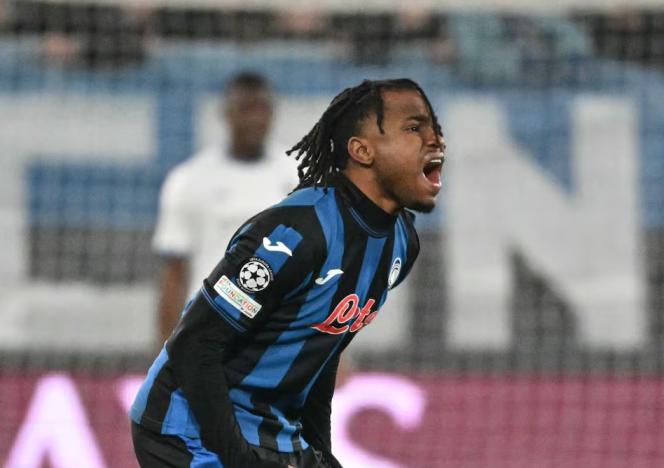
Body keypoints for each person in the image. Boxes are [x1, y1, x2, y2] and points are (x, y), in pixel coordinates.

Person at [130, 78, 446, 468]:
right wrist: (239, 458)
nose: (435, 140)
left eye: (434, 129)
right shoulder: (298, 232)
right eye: (413, 129)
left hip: (270, 431)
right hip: (185, 432)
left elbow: (321, 351)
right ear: (362, 150)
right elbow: (194, 345)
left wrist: (321, 452)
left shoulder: (401, 244)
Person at [153, 72, 296, 350]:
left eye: (262, 109)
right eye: (246, 109)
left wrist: (334, 351)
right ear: (227, 113)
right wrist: (164, 352)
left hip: (280, 335)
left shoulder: (299, 178)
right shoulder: (188, 180)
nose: (255, 119)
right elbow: (174, 273)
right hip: (210, 331)